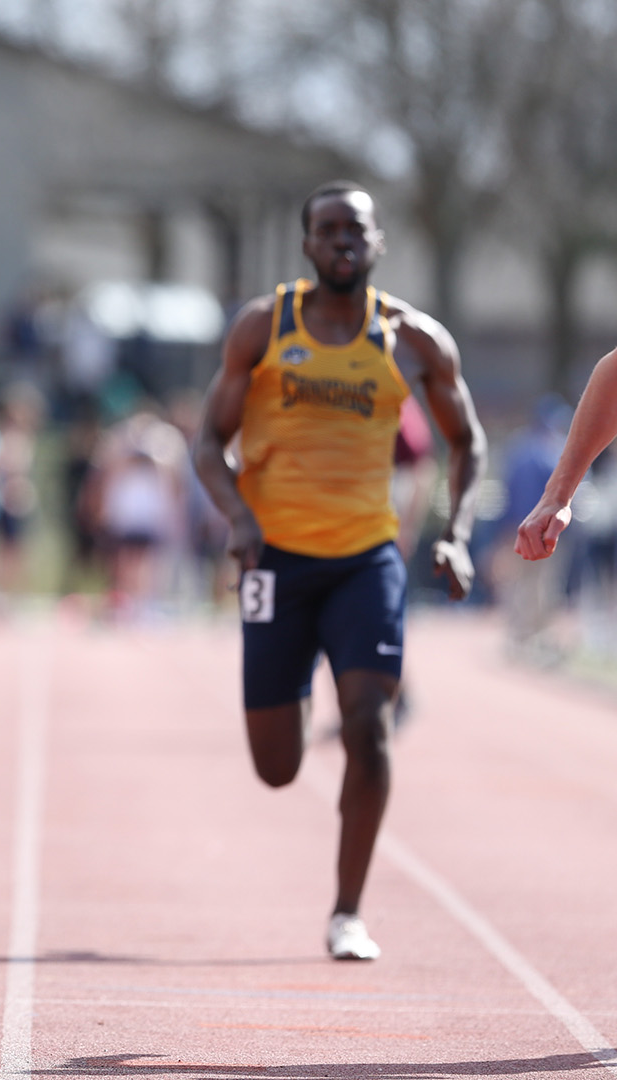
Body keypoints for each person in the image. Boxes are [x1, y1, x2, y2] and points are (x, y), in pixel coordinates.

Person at [192, 181, 485, 962]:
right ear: (307, 246)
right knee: (278, 767)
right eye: (327, 230)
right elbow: (205, 443)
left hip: (366, 561)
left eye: (355, 229)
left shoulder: (412, 340)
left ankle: (347, 911)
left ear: (377, 243)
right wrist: (241, 518)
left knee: (368, 728)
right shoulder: (263, 326)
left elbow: (467, 442)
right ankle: (289, 725)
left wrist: (455, 534)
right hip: (275, 562)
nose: (342, 242)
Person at [515, 351, 617, 561]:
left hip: (543, 531)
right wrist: (557, 496)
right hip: (543, 532)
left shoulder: (526, 450)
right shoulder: (531, 453)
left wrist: (557, 497)